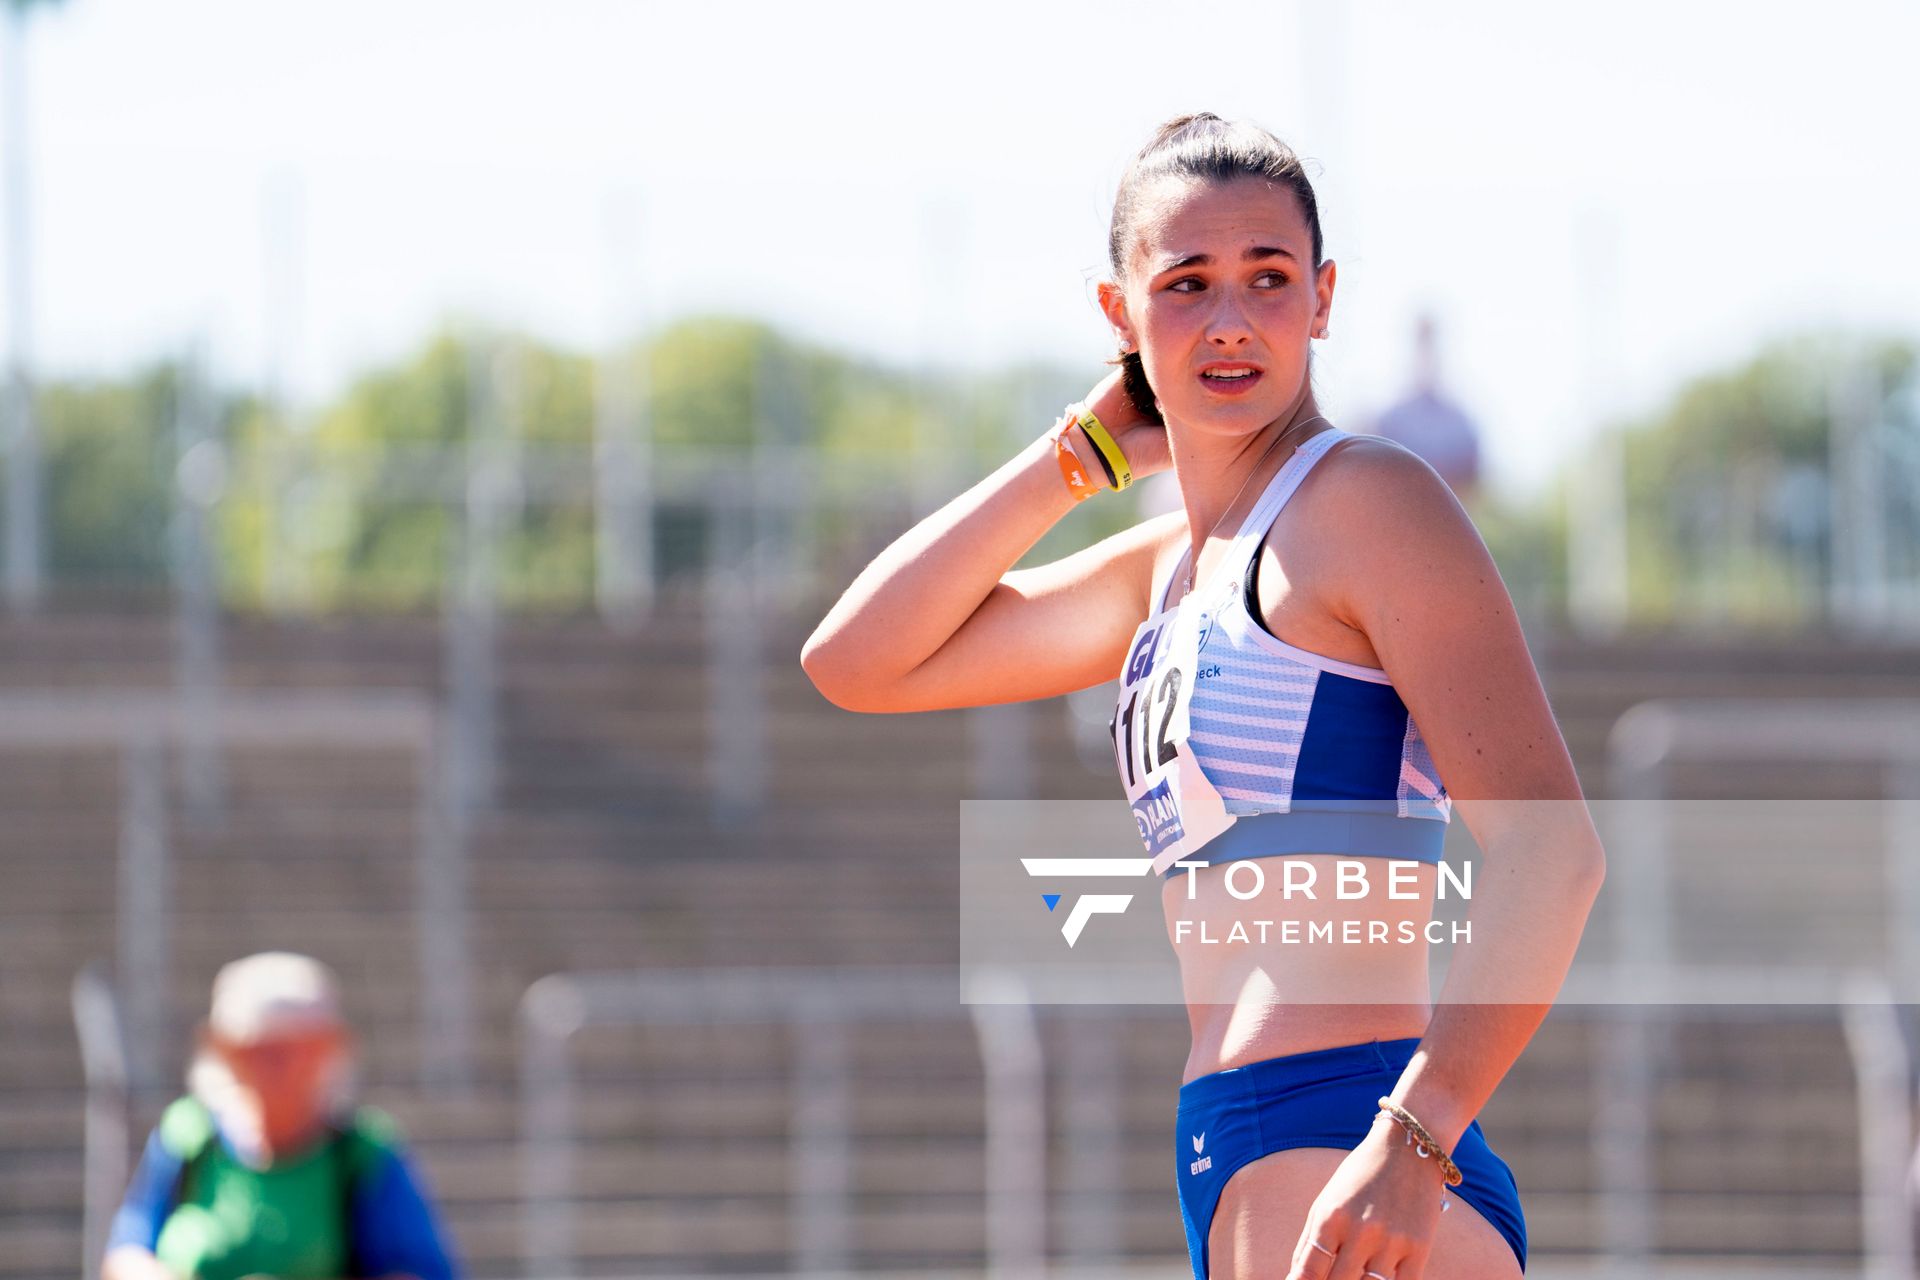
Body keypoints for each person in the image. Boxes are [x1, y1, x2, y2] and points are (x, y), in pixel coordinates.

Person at [801, 113, 1604, 1280]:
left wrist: (1412, 1136)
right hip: (1235, 1136)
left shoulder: (1368, 505)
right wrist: (1077, 454)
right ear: (1119, 315)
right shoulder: (1166, 569)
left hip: (1356, 1124)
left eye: (1268, 277)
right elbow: (857, 659)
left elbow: (1554, 854)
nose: (1230, 319)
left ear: (1323, 298)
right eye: (1185, 284)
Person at [102, 952, 460, 1280]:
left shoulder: (360, 1154)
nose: (275, 1068)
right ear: (225, 1052)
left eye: (293, 1050)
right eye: (257, 1050)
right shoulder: (188, 1136)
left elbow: (421, 1271)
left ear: (327, 1051)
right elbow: (127, 1251)